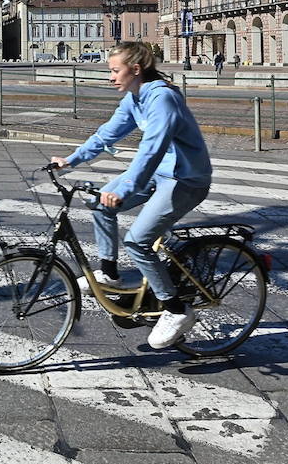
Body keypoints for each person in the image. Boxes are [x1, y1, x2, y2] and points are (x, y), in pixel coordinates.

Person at [49, 40, 213, 350]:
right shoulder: (134, 99)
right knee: (99, 201)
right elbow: (106, 134)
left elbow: (152, 149)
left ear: (135, 70)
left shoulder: (162, 99)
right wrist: (71, 160)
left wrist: (125, 189)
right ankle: (109, 274)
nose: (110, 77)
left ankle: (176, 310)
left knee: (137, 240)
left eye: (114, 70)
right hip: (158, 174)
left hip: (185, 179)